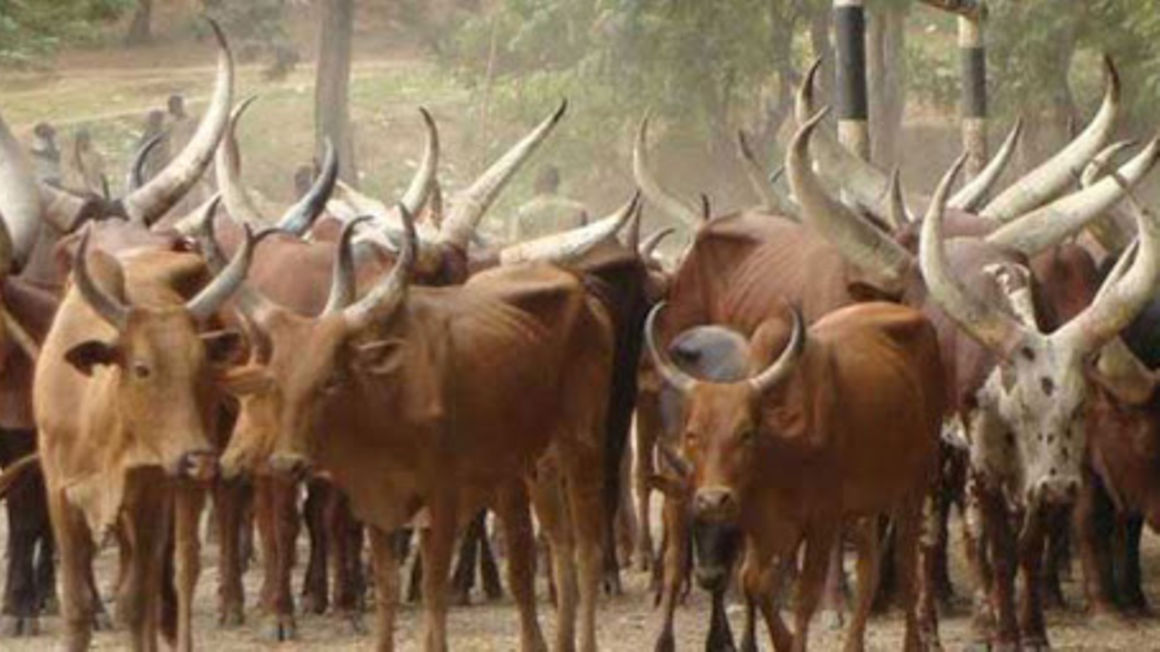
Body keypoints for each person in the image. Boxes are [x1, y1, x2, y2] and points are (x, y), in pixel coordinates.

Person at [510, 165, 589, 241]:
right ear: (557, 183)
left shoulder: (522, 213)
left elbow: (516, 247)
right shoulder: (578, 210)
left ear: (536, 183)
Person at [68, 129, 107, 195]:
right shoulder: (74, 156)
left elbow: (102, 174)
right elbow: (74, 172)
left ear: (88, 140)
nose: (82, 142)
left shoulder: (96, 154)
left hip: (95, 188)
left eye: (84, 140)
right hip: (81, 188)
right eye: (79, 141)